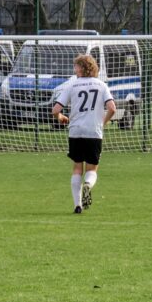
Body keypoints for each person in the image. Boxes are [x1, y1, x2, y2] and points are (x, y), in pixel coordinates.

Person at [51, 53, 117, 214]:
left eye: (75, 66)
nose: (74, 69)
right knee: (92, 170)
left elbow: (55, 110)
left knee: (77, 168)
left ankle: (77, 205)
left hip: (75, 131)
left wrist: (61, 117)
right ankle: (88, 185)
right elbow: (112, 108)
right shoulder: (101, 85)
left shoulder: (72, 85)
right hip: (93, 131)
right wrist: (103, 122)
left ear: (80, 68)